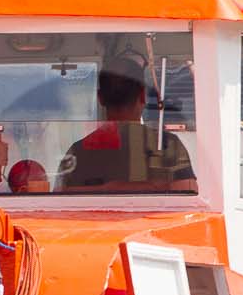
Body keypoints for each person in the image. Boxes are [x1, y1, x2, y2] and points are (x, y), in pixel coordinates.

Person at [57, 51, 195, 192]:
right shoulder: (169, 146)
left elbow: (60, 196)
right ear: (142, 96)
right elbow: (189, 193)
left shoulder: (77, 152)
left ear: (100, 98)